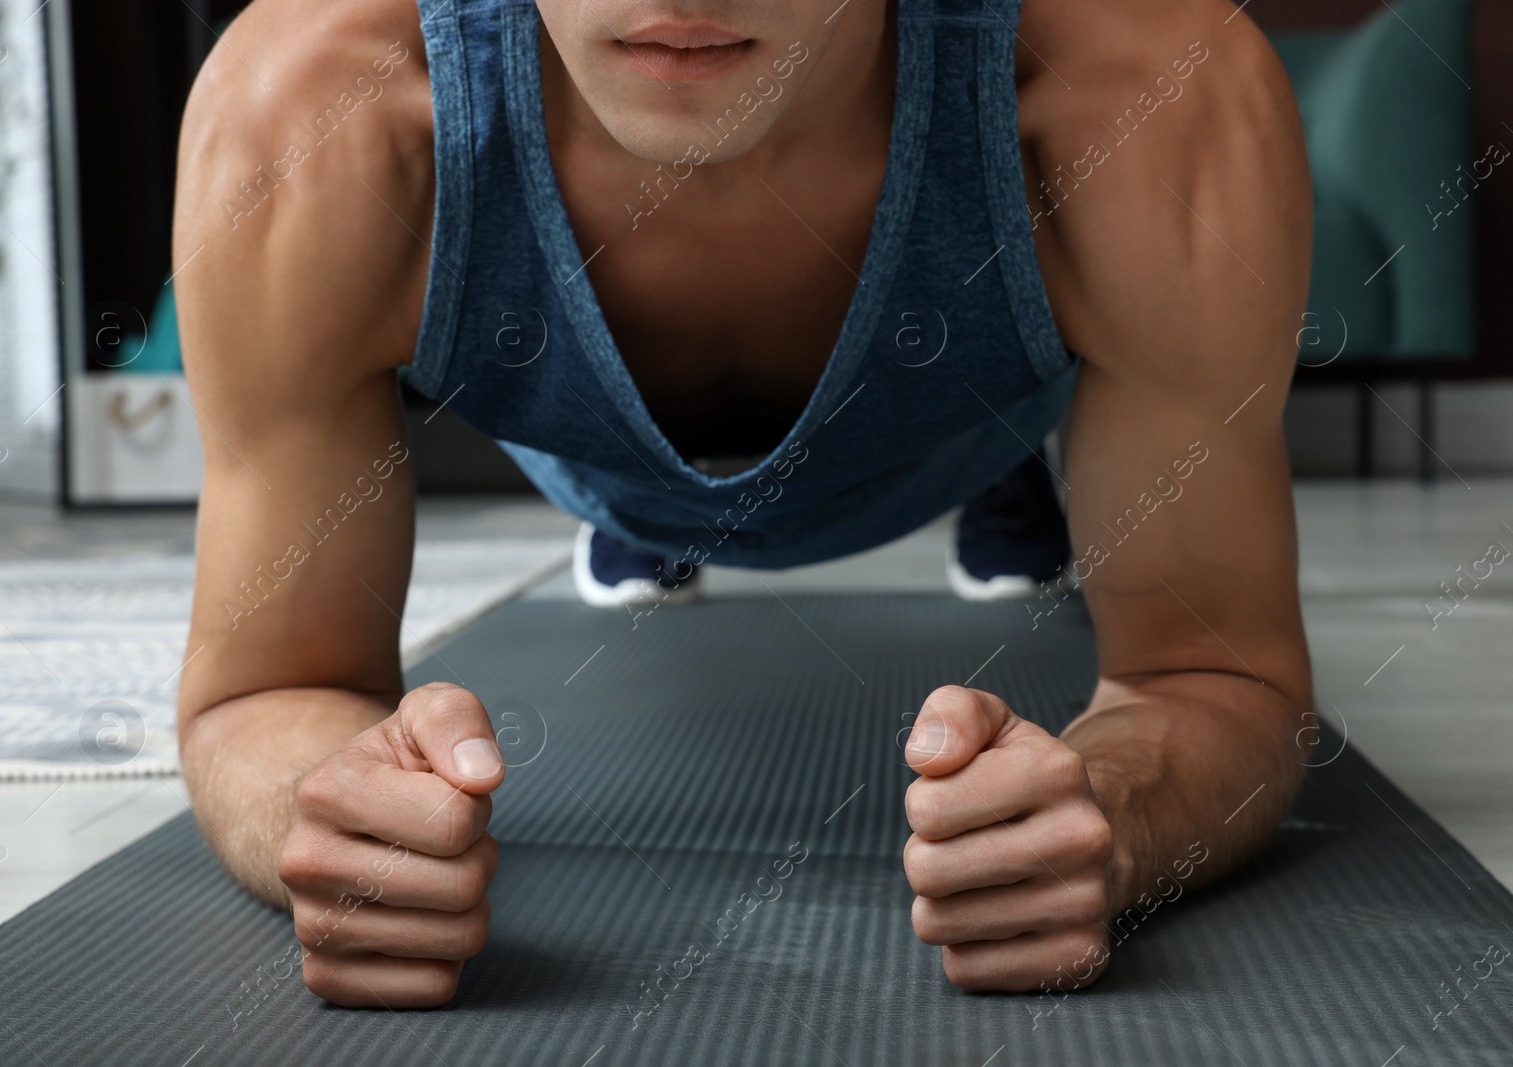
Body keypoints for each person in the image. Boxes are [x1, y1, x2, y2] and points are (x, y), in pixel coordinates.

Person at [173, 0, 1314, 1009]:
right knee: (633, 467)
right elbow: (270, 688)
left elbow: (1215, 675)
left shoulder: (1156, 83)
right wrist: (319, 812)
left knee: (1017, 378)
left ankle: (1017, 476)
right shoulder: (306, 107)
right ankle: (648, 496)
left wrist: (1114, 817)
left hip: (964, 418)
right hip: (587, 436)